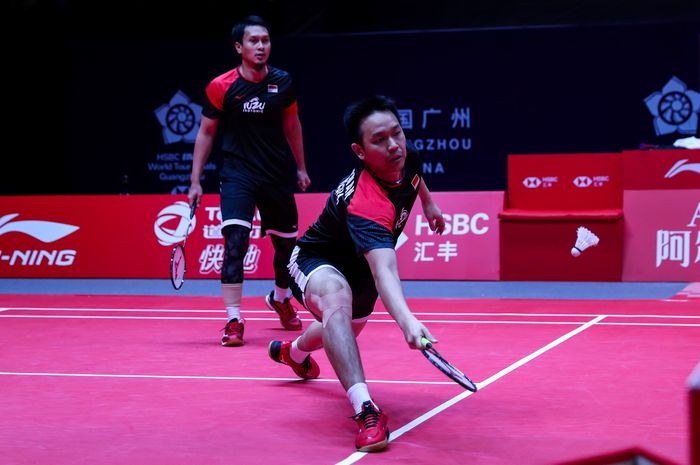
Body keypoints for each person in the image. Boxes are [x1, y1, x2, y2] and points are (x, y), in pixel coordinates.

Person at [267, 95, 446, 452]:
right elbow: (385, 272)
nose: (393, 145)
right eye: (379, 140)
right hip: (315, 258)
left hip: (359, 272)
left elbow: (414, 176)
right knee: (336, 298)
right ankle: (366, 409)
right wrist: (408, 321)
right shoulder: (366, 202)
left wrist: (428, 203)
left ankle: (295, 353)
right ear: (360, 151)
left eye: (397, 134)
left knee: (343, 326)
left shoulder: (405, 158)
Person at [188, 15, 310, 347]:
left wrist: (301, 167)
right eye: (254, 41)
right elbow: (206, 132)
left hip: (276, 174)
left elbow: (292, 126)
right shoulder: (221, 86)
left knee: (287, 247)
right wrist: (195, 180)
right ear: (239, 47)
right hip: (237, 173)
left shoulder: (284, 82)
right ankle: (233, 319)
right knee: (236, 243)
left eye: (265, 40)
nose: (261, 46)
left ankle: (280, 298)